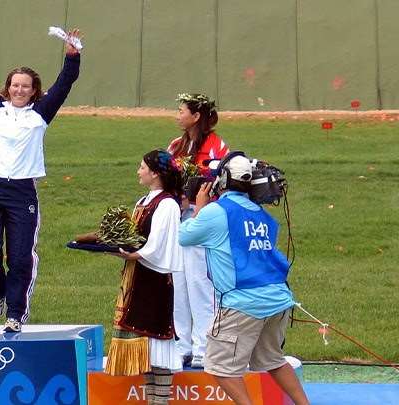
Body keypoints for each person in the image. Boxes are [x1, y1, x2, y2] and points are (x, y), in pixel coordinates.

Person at [0, 17, 81, 333]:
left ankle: (15, 314)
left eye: (26, 86)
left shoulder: (41, 114)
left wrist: (71, 56)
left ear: (34, 90)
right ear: (8, 86)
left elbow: (65, 84)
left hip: (23, 192)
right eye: (15, 85)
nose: (20, 90)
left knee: (21, 258)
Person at [178, 152, 309, 405]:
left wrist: (198, 208)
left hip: (242, 303)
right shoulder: (264, 216)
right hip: (278, 300)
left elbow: (185, 237)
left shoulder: (216, 211)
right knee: (272, 359)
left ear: (223, 180)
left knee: (218, 366)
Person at [106, 150, 183, 405]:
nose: (138, 171)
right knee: (146, 350)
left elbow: (158, 244)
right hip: (138, 276)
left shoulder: (167, 204)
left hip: (154, 280)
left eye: (142, 167)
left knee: (157, 344)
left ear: (155, 173)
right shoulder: (145, 200)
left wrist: (134, 254)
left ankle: (160, 401)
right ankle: (152, 402)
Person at [168, 93, 229, 368]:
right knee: (178, 283)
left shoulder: (217, 146)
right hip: (179, 218)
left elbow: (223, 179)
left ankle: (205, 346)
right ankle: (182, 345)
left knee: (200, 283)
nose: (177, 115)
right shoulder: (177, 145)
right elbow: (166, 175)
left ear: (196, 116)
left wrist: (197, 197)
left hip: (204, 218)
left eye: (181, 110)